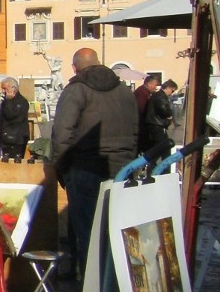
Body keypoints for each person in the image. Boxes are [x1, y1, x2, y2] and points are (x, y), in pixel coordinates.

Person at [51, 48, 138, 278]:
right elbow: (137, 131)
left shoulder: (76, 90)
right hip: (122, 168)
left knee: (89, 234)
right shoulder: (124, 91)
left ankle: (91, 291)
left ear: (74, 67)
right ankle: (117, 286)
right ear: (100, 63)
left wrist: (62, 169)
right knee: (117, 231)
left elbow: (61, 134)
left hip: (84, 167)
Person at [0, 77, 29, 158]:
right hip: (5, 139)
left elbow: (11, 115)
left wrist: (9, 101)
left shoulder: (22, 101)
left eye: (5, 88)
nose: (3, 91)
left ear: (13, 88)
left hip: (16, 140)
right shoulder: (5, 101)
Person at [143, 79, 178, 153]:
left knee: (161, 148)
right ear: (168, 87)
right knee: (162, 148)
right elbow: (164, 110)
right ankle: (154, 163)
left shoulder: (158, 95)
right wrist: (169, 115)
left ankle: (154, 162)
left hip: (155, 124)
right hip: (157, 125)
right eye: (172, 91)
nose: (172, 93)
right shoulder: (161, 96)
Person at [133, 75, 160, 151]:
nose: (155, 87)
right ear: (148, 84)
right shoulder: (142, 93)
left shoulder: (145, 92)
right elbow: (142, 109)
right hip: (140, 125)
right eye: (155, 85)